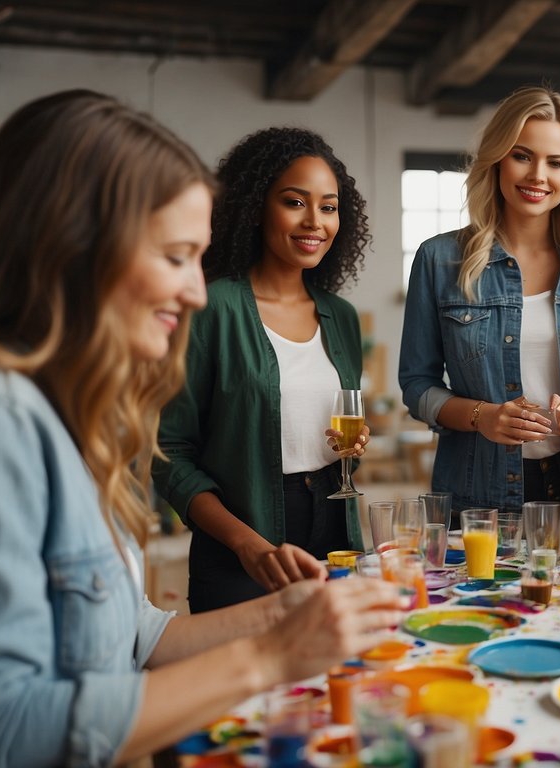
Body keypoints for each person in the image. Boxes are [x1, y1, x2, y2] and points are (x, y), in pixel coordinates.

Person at [0, 91, 402, 766]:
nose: (197, 292)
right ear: (73, 249)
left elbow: (134, 638)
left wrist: (288, 615)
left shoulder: (61, 417)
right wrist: (267, 657)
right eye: (174, 257)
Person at [155, 127, 373, 612]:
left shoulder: (341, 317)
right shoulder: (210, 308)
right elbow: (168, 454)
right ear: (255, 207)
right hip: (241, 541)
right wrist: (247, 544)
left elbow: (339, 441)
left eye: (329, 206)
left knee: (335, 679)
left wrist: (353, 449)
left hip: (334, 533)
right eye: (295, 202)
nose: (315, 221)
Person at [399, 85, 560, 540]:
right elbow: (417, 386)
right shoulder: (440, 259)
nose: (538, 175)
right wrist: (483, 416)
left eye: (556, 162)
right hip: (476, 500)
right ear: (498, 159)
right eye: (522, 155)